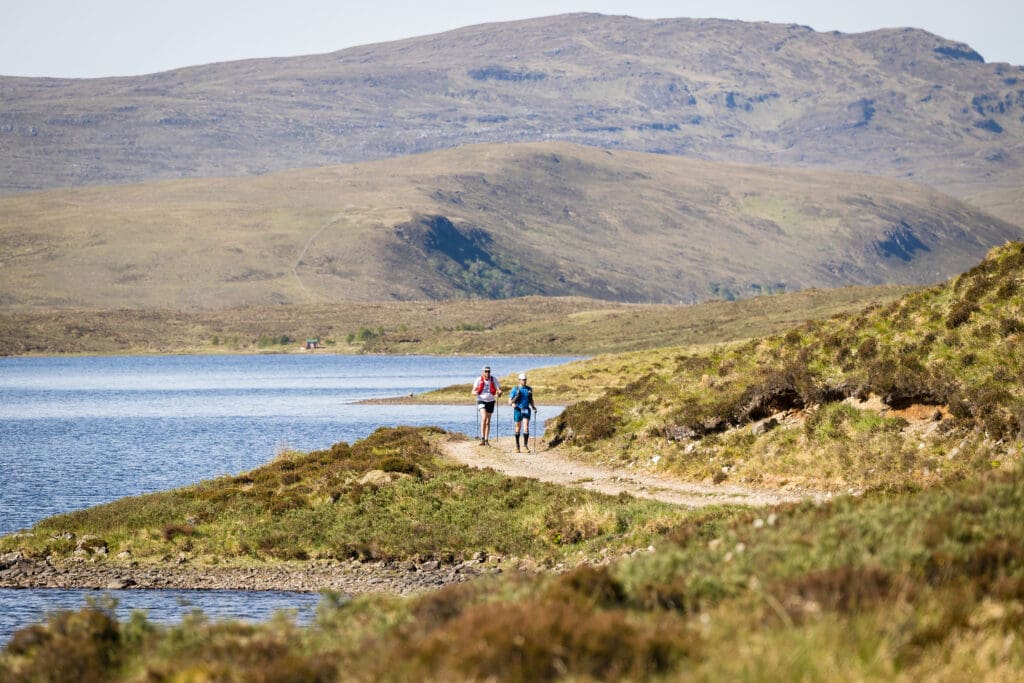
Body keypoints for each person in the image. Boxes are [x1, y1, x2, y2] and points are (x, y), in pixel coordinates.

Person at [471, 365, 501, 445]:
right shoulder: (478, 379)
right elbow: (473, 391)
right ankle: (482, 438)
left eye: (488, 371)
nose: (487, 373)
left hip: (491, 401)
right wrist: (475, 393)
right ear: (482, 372)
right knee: (484, 418)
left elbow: (498, 390)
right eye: (485, 371)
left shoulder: (493, 379)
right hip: (481, 400)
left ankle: (486, 440)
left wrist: (499, 393)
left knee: (488, 421)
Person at [508, 372, 538, 453]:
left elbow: (531, 399)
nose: (524, 381)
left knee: (526, 426)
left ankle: (525, 446)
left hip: (526, 409)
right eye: (522, 380)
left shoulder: (529, 389)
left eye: (525, 380)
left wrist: (533, 407)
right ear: (519, 380)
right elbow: (509, 401)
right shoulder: (515, 389)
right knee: (518, 426)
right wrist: (512, 404)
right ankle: (517, 447)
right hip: (517, 409)